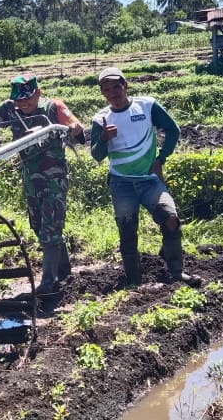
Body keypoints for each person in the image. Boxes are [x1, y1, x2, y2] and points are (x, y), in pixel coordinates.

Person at [89, 67, 202, 288]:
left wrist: (161, 159)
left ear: (125, 85)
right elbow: (96, 155)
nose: (113, 92)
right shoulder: (101, 118)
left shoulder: (147, 105)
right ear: (102, 93)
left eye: (116, 86)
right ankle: (134, 279)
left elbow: (173, 130)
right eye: (106, 89)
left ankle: (176, 272)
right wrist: (103, 138)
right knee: (127, 230)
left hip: (149, 179)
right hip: (121, 183)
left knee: (170, 219)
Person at [0, 72, 86, 294]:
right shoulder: (10, 108)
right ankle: (63, 271)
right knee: (39, 226)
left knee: (50, 229)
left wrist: (74, 127)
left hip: (53, 178)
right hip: (30, 178)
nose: (24, 104)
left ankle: (48, 283)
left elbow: (74, 124)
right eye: (19, 100)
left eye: (28, 99)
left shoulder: (52, 107)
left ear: (38, 93)